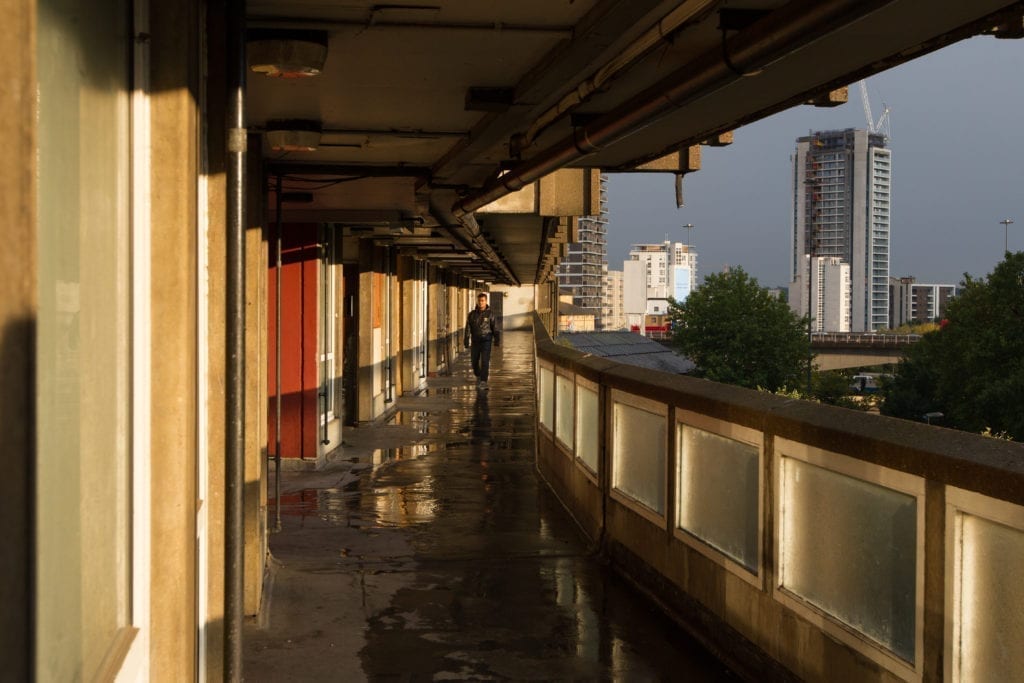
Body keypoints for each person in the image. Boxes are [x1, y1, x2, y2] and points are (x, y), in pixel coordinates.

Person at [464, 292, 500, 389]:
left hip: (486, 341)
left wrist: (497, 339)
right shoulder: (472, 314)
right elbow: (468, 328)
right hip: (475, 341)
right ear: (477, 301)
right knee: (474, 361)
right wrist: (466, 340)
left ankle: (484, 381)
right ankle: (478, 374)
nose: (481, 303)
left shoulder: (490, 314)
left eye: (483, 301)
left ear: (486, 301)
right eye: (479, 301)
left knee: (485, 361)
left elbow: (495, 327)